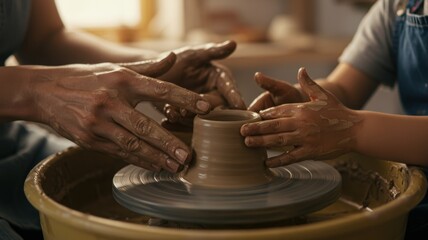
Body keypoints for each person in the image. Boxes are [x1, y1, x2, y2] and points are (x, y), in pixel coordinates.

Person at [0, 0, 245, 239]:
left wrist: (156, 69)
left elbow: (46, 40)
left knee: (120, 181)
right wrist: (34, 92)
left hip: (13, 148)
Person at [240, 0, 428, 239]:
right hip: (419, 186)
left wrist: (353, 130)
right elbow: (344, 87)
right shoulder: (396, 8)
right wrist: (304, 100)